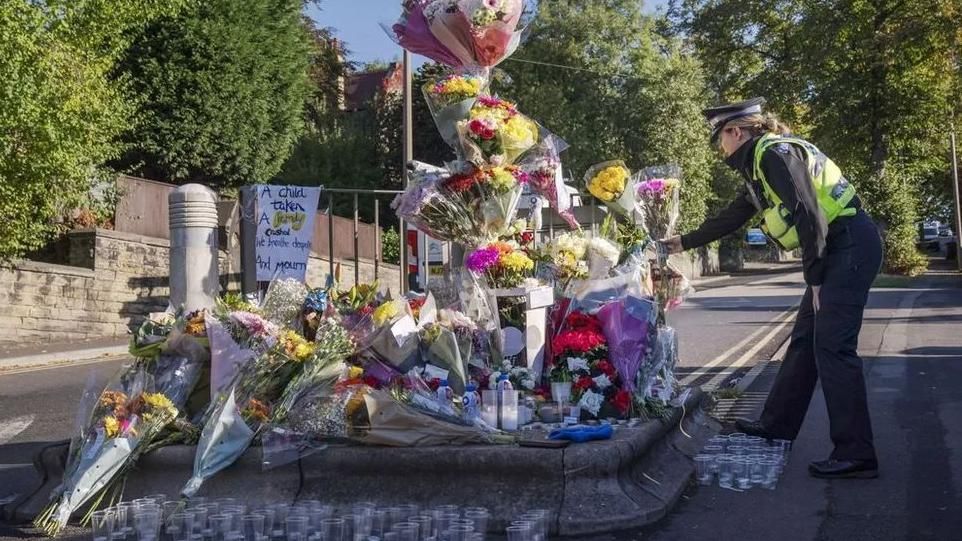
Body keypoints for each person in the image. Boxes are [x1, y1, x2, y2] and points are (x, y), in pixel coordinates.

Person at [662, 97, 883, 479]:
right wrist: (681, 242)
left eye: (720, 139)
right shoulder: (761, 165)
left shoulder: (773, 155)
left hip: (849, 245)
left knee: (834, 348)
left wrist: (814, 279)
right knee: (804, 342)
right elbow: (734, 216)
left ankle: (856, 453)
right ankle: (776, 424)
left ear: (736, 131)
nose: (720, 149)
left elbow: (809, 213)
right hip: (839, 246)